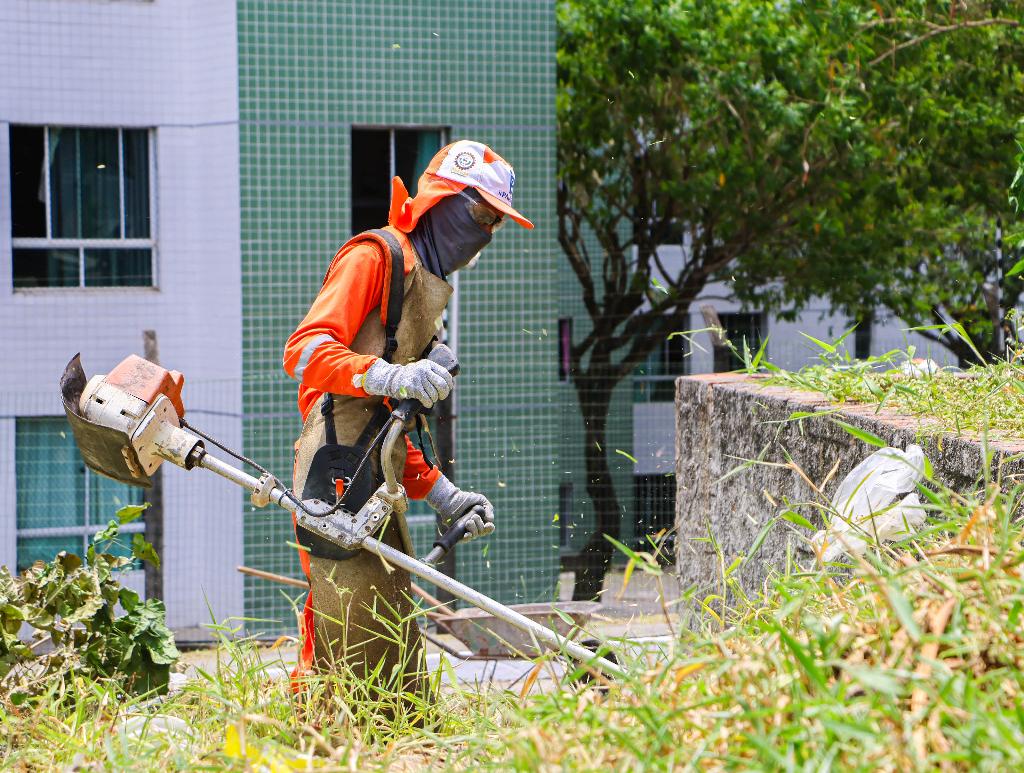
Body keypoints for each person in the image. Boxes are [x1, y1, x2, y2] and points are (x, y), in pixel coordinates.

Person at [282, 140, 533, 693]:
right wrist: (385, 375)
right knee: (337, 631)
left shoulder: (425, 291)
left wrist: (445, 496)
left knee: (391, 644)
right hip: (333, 467)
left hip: (375, 468)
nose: (487, 234)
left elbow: (387, 429)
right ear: (442, 202)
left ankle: (377, 730)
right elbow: (302, 352)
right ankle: (313, 728)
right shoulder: (374, 258)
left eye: (498, 223)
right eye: (482, 216)